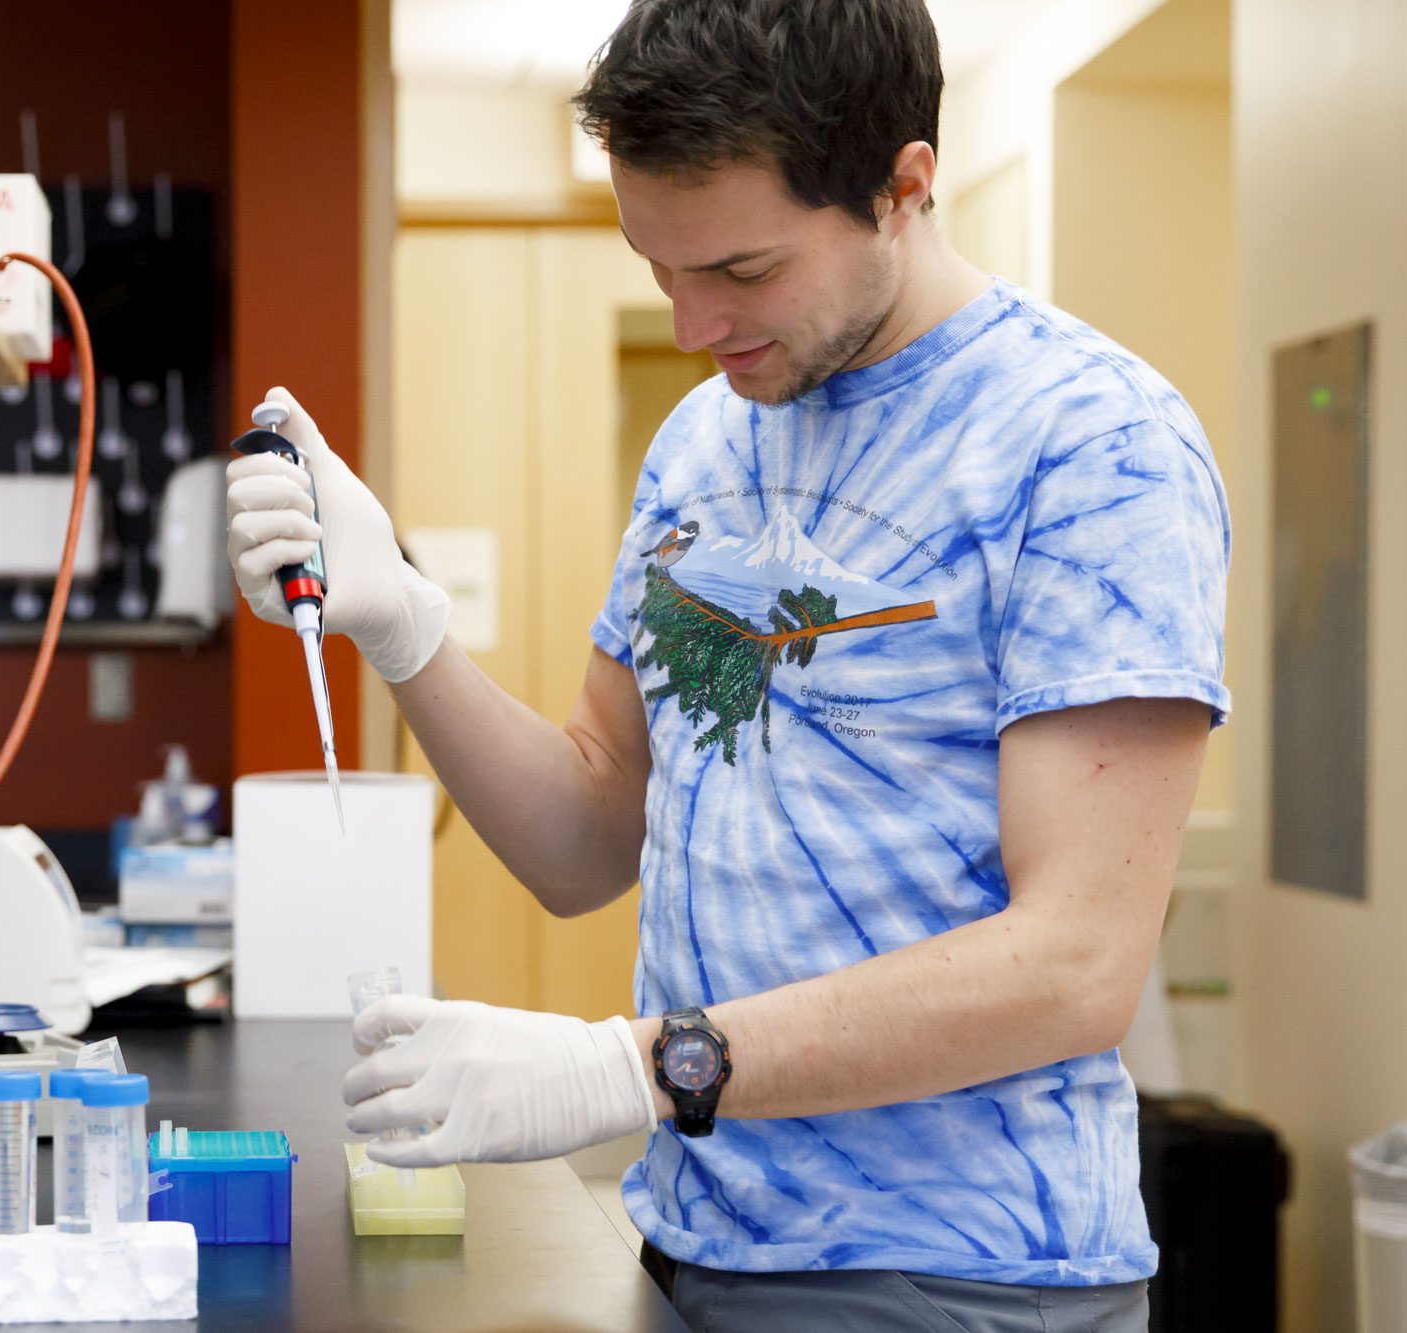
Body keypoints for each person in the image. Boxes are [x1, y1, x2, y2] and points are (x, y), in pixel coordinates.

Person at [226, 1, 1228, 1328]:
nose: (695, 325)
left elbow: (1073, 963)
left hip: (962, 1275)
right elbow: (588, 826)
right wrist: (405, 626)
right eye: (660, 269)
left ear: (903, 186)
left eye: (743, 272)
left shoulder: (1091, 446)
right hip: (697, 1243)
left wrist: (635, 1067)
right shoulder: (705, 445)